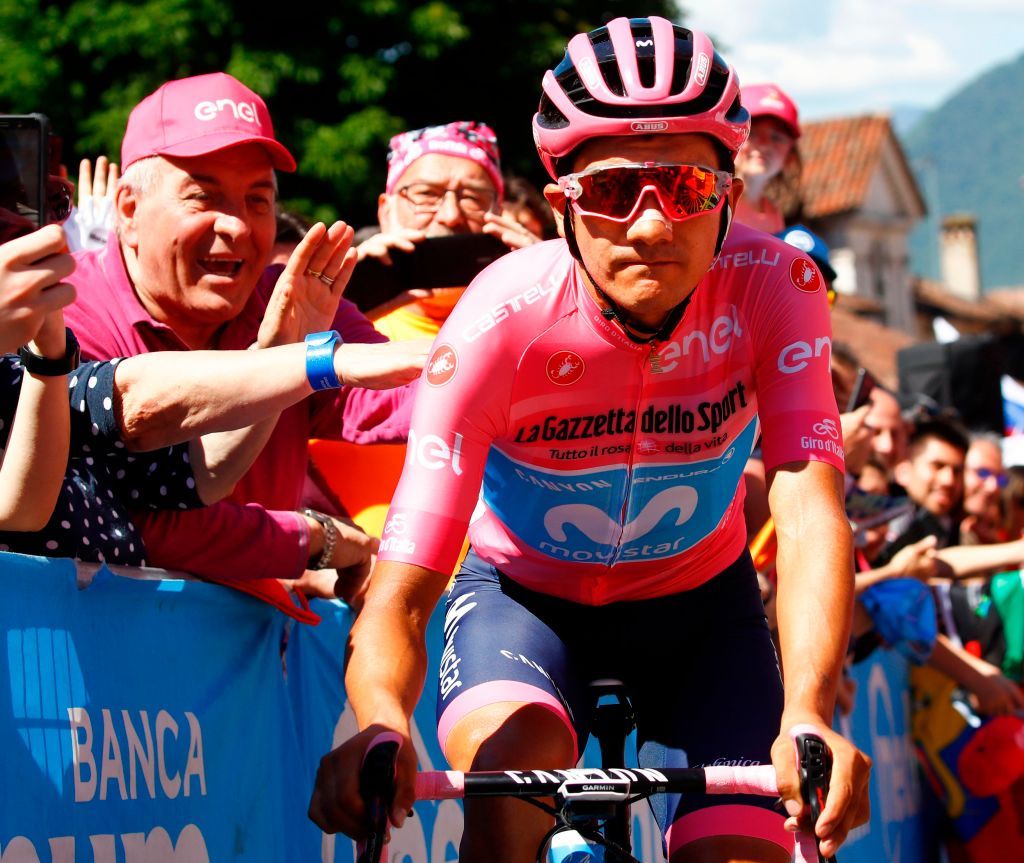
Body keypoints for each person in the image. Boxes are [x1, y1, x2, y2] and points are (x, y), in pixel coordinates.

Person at [309, 17, 870, 863]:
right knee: (512, 778)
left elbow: (808, 511)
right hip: (522, 601)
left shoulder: (780, 287)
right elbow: (405, 579)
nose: (650, 227)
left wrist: (809, 712)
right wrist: (382, 717)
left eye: (684, 187)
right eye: (613, 191)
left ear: (728, 189)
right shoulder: (498, 323)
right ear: (562, 199)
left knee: (743, 852)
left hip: (702, 612)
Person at [62, 72, 416, 597]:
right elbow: (123, 519)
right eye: (204, 197)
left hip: (261, 652)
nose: (237, 227)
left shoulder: (293, 297)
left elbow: (405, 399)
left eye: (257, 200)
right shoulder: (66, 315)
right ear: (129, 212)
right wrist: (310, 540)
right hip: (91, 657)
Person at [734, 83, 801, 234]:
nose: (764, 144)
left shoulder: (774, 217)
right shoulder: (713, 203)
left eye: (777, 137)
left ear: (789, 158)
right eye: (751, 133)